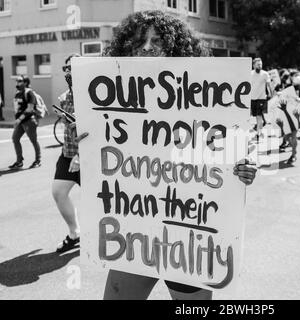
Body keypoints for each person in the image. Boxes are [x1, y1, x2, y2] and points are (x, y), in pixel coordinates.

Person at [86, 10, 257, 300]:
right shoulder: (108, 99)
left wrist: (244, 166)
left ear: (177, 47)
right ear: (126, 47)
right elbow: (98, 166)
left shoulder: (207, 93)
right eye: (140, 41)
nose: (148, 47)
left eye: (158, 40)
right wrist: (87, 144)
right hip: (134, 231)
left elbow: (230, 148)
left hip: (191, 235)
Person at [52, 54, 88, 253]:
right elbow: (69, 126)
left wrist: (82, 156)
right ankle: (75, 233)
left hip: (91, 157)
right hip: (68, 153)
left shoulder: (96, 93)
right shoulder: (64, 98)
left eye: (74, 66)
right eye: (67, 67)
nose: (70, 70)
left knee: (101, 200)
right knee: (58, 192)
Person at [9, 75, 41, 169]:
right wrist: (17, 120)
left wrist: (19, 119)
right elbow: (17, 108)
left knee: (33, 140)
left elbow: (30, 108)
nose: (17, 83)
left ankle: (37, 160)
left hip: (29, 121)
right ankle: (19, 162)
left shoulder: (29, 93)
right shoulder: (17, 93)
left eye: (19, 81)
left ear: (25, 82)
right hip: (20, 122)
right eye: (16, 81)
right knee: (15, 139)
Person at [250, 58, 272, 141]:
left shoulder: (265, 74)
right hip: (252, 98)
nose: (260, 66)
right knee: (256, 117)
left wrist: (271, 93)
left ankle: (259, 134)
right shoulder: (250, 74)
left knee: (259, 116)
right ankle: (260, 128)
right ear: (254, 65)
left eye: (261, 64)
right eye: (258, 64)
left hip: (261, 98)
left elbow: (269, 85)